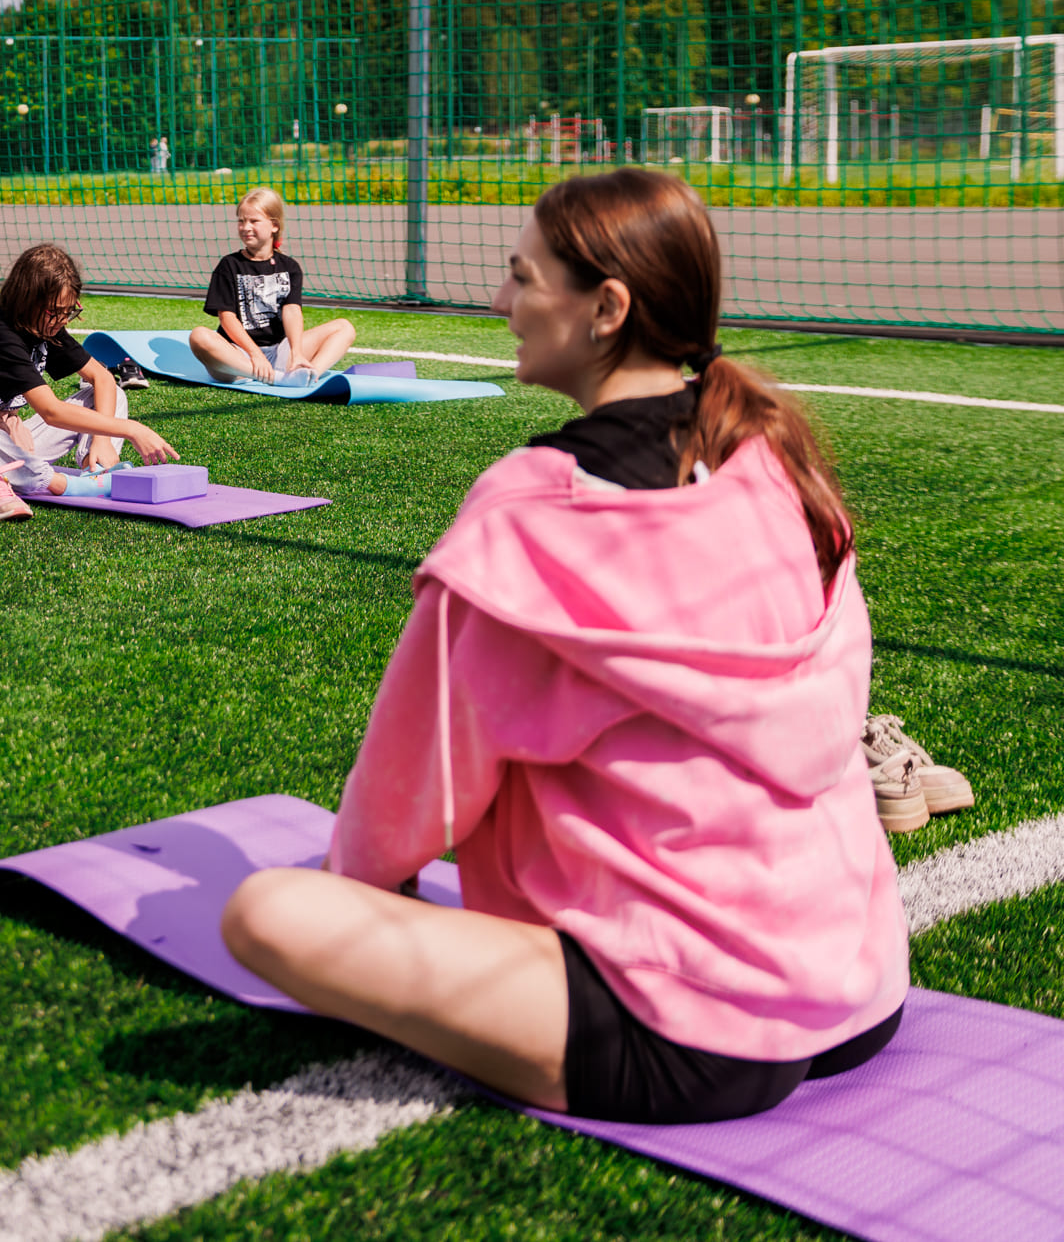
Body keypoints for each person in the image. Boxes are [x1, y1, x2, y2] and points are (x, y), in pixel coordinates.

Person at [221, 169, 905, 1128]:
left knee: (268, 915)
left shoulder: (533, 511)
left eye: (523, 277)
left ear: (607, 309)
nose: (501, 302)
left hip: (689, 1032)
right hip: (856, 978)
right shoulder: (774, 461)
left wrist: (367, 894)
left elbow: (411, 790)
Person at [0, 242, 178, 523]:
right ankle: (61, 484)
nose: (63, 320)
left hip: (13, 445)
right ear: (26, 300)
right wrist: (131, 429)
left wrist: (101, 441)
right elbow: (50, 411)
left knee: (111, 393)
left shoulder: (45, 325)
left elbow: (100, 377)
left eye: (70, 310)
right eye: (56, 311)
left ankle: (94, 468)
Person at [187, 187, 357, 384]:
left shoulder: (290, 267)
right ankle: (278, 379)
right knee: (199, 336)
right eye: (241, 221)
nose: (245, 227)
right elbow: (227, 318)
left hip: (280, 352)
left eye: (254, 221)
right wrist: (255, 354)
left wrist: (297, 353)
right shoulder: (229, 265)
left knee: (344, 328)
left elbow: (292, 312)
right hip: (239, 357)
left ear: (274, 226)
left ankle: (309, 375)